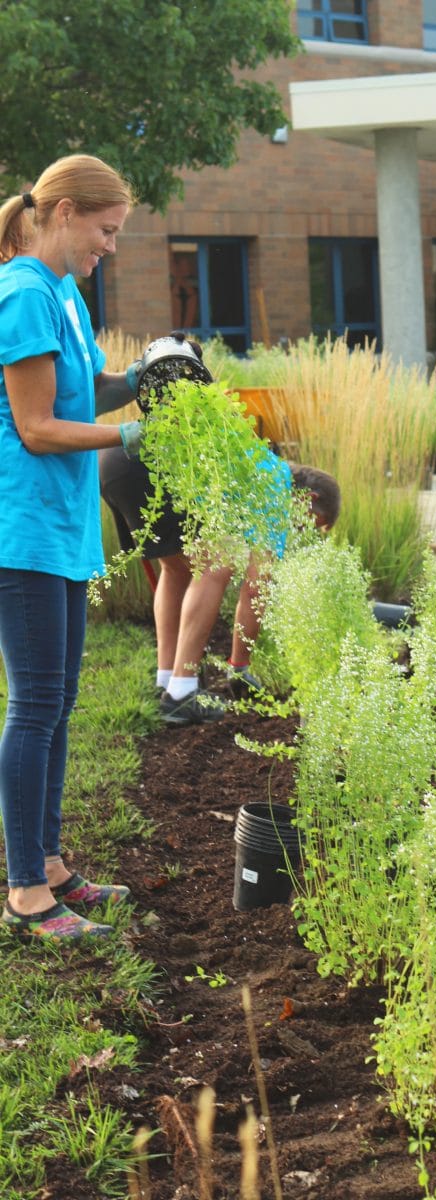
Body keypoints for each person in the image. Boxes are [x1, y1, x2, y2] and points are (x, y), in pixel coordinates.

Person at [0, 154, 146, 942]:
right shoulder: (21, 292)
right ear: (62, 213)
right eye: (105, 230)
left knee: (56, 706)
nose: (111, 247)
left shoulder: (64, 291)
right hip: (19, 530)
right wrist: (131, 432)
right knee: (33, 708)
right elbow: (37, 427)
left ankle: (50, 863)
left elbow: (84, 388)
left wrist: (151, 376)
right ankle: (25, 890)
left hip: (60, 529)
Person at [99, 446, 341, 724]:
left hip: (117, 460)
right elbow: (255, 589)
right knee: (220, 559)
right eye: (307, 523)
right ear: (308, 498)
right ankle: (182, 693)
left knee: (176, 569)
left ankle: (168, 682)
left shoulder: (259, 462)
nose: (298, 530)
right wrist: (239, 666)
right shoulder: (275, 485)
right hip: (151, 464)